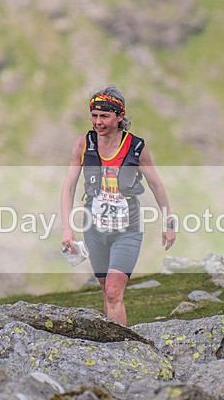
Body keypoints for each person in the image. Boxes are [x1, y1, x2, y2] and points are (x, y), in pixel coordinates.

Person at [61, 86, 176, 325]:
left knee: (114, 291)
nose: (98, 122)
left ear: (120, 116)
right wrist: (67, 229)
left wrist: (169, 222)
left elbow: (156, 185)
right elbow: (69, 187)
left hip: (128, 231)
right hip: (94, 230)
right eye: (94, 116)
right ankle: (111, 348)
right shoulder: (83, 145)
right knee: (106, 291)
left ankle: (122, 351)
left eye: (104, 116)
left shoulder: (136, 148)